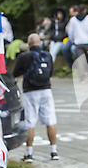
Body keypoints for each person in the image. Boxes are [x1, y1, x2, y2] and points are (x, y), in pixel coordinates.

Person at [13, 33, 59, 161]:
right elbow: (50, 72)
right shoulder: (47, 56)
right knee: (50, 121)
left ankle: (29, 154)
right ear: (40, 43)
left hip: (30, 92)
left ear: (28, 44)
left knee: (30, 122)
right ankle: (54, 152)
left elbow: (15, 73)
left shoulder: (24, 57)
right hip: (46, 90)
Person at [67, 3, 88, 81]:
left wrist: (73, 40)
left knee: (81, 60)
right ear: (85, 10)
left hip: (79, 42)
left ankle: (82, 77)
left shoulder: (73, 20)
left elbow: (70, 32)